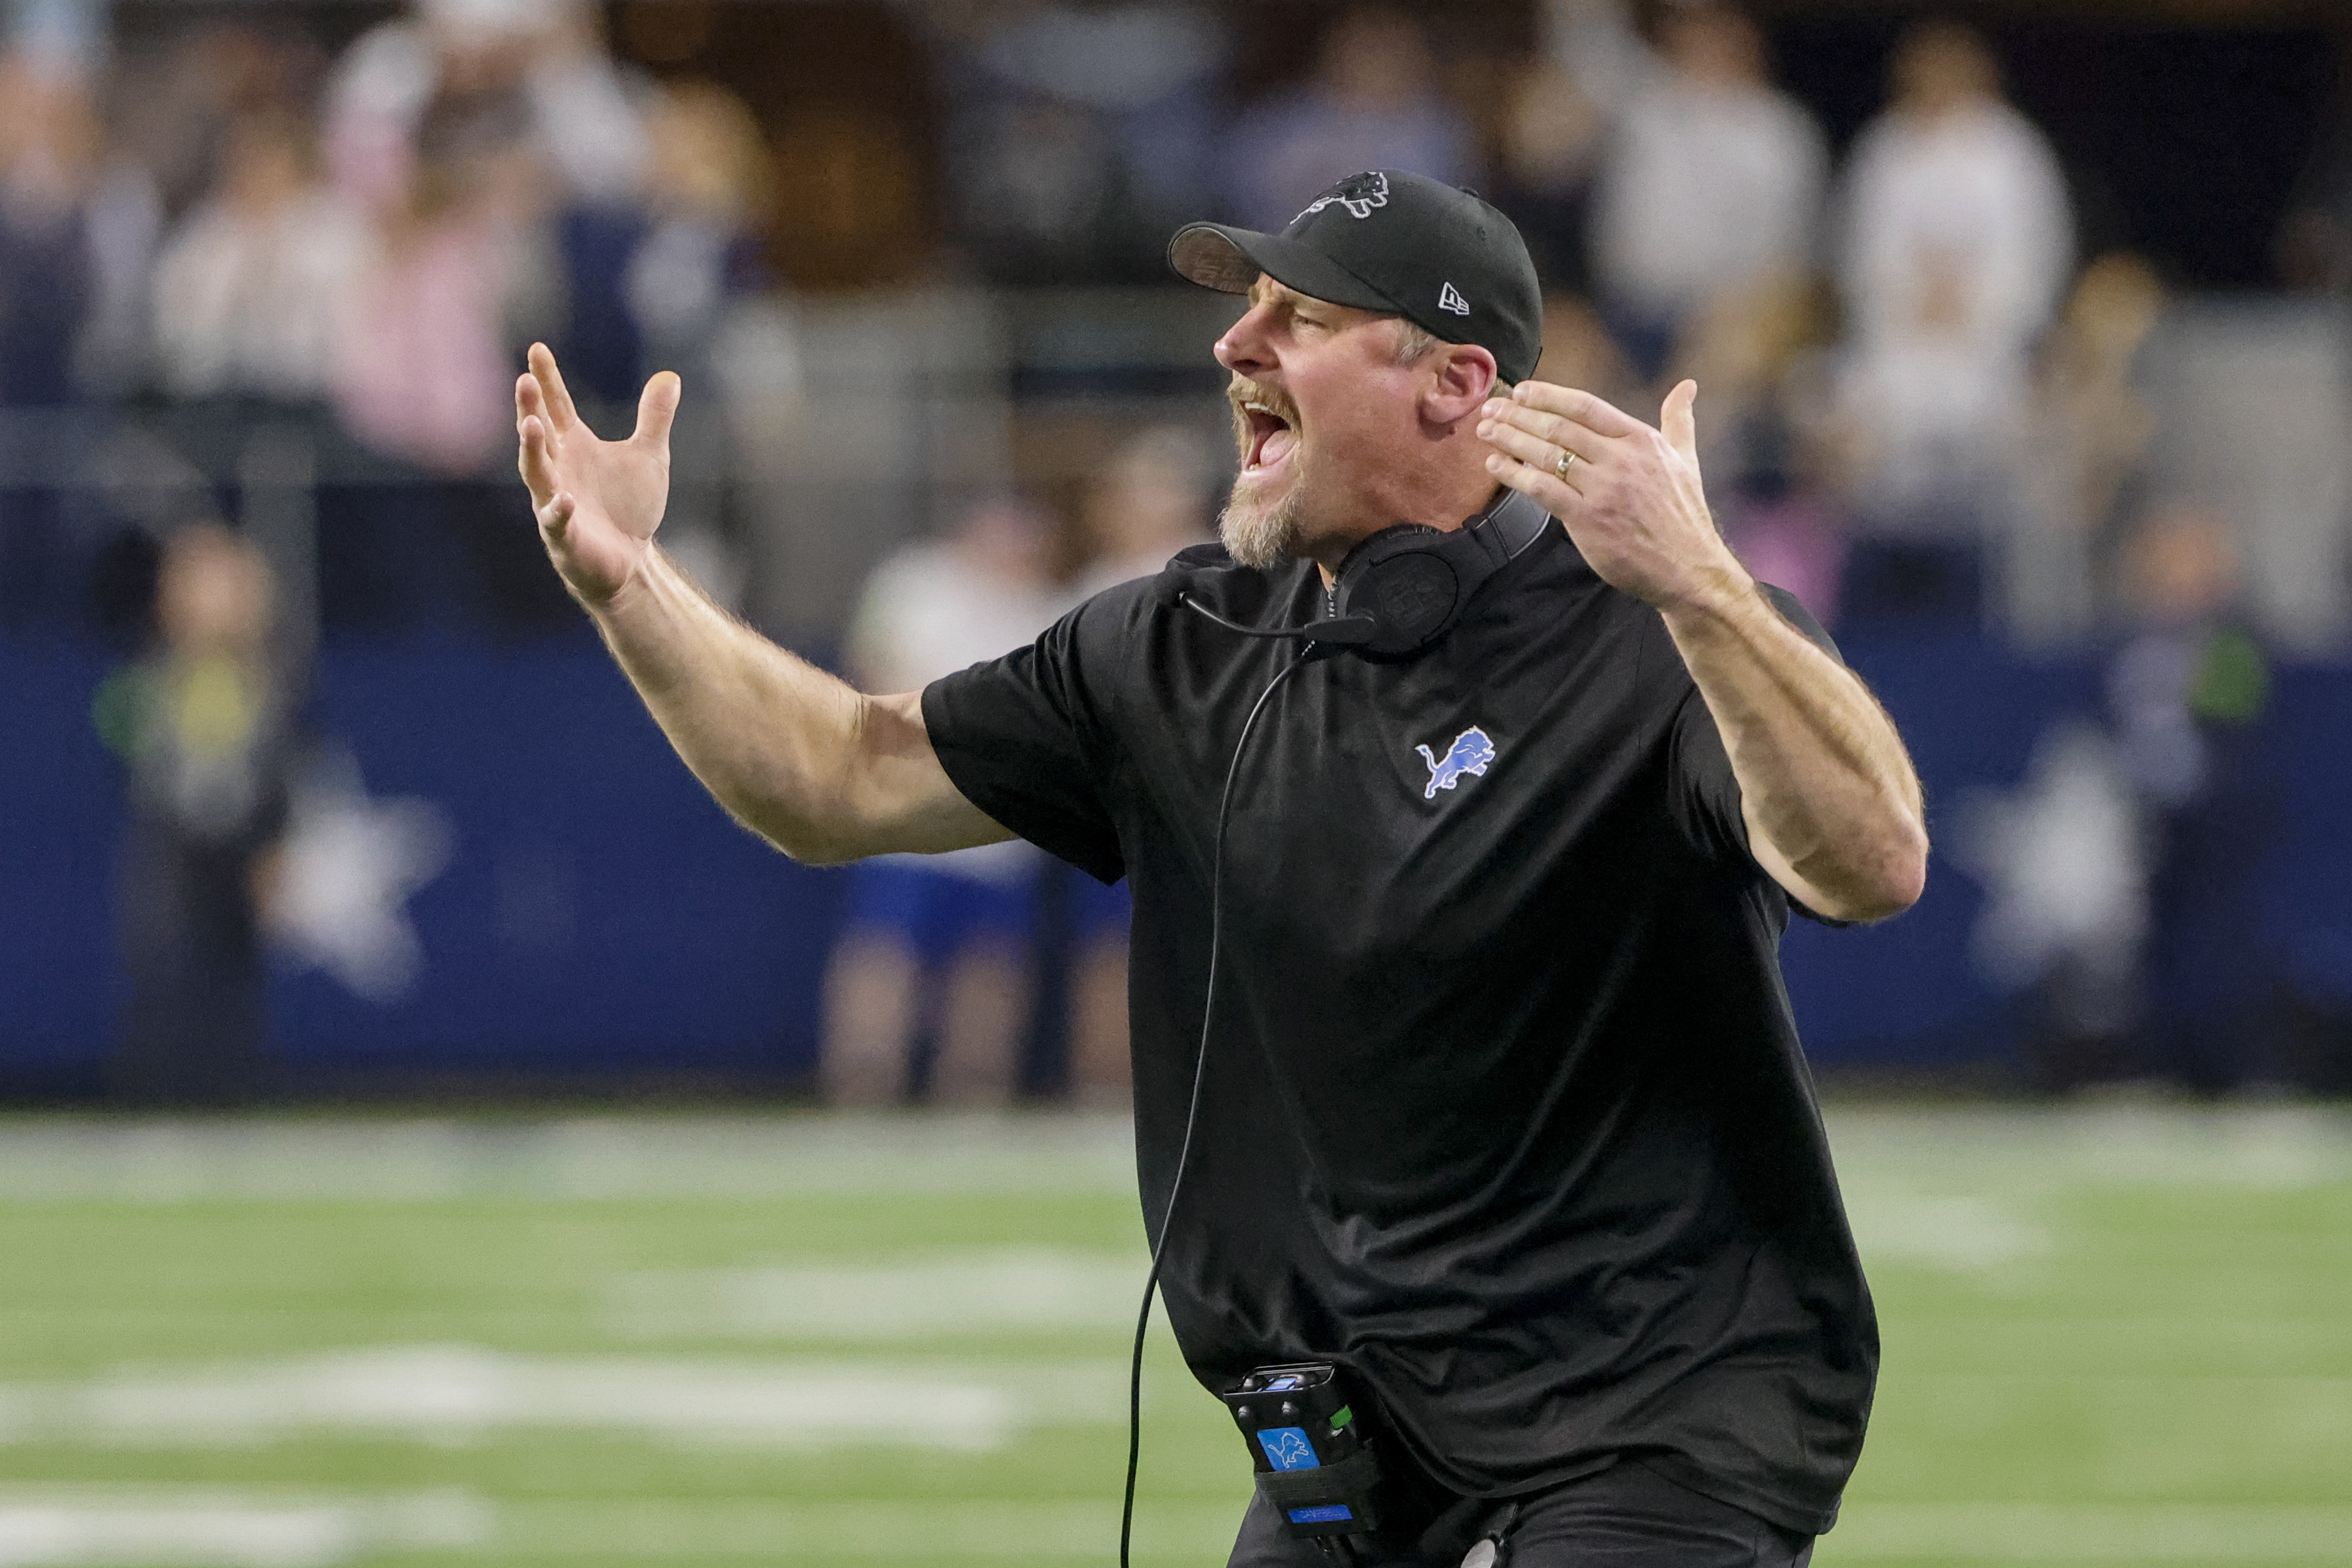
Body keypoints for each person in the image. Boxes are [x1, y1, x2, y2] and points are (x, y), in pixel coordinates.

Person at [513, 169, 1926, 1565]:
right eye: (1247, 311)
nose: (1234, 349)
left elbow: (1869, 863)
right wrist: (632, 582)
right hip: (1367, 1422)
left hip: (1657, 1408)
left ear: (1452, 385)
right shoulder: (1180, 645)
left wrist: (1704, 587)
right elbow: (836, 780)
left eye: (1298, 318)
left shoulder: (1644, 629)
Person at [820, 497, 1064, 1106]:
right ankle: (862, 1084)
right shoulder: (917, 582)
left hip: (1000, 828)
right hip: (913, 810)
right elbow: (872, 669)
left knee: (991, 964)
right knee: (886, 951)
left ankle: (975, 1090)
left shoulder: (1044, 611)